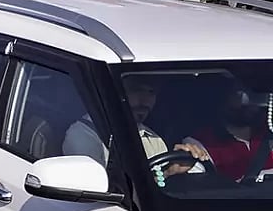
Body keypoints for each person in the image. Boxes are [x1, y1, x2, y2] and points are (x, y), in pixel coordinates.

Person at [63, 75, 209, 177]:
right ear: (113, 93)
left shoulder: (152, 137)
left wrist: (173, 169)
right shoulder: (83, 135)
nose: (145, 100)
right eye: (135, 90)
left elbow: (159, 184)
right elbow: (98, 193)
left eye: (151, 92)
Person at [184, 86, 273, 182]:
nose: (247, 100)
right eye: (239, 93)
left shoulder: (270, 130)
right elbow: (198, 185)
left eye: (254, 93)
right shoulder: (199, 143)